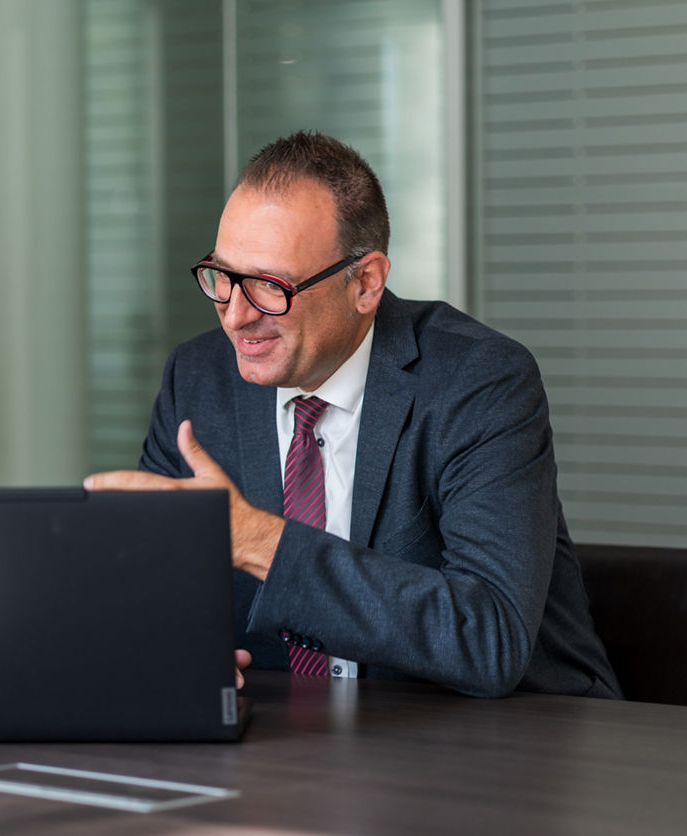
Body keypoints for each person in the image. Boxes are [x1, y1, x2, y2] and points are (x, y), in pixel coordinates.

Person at [86, 131, 620, 698]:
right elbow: (160, 588)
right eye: (222, 276)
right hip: (290, 742)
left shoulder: (479, 381)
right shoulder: (199, 379)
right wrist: (171, 641)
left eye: (269, 286)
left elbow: (488, 637)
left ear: (365, 283)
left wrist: (259, 541)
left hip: (512, 742)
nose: (235, 316)